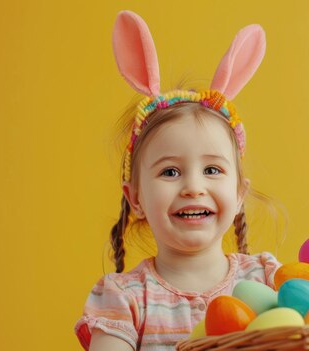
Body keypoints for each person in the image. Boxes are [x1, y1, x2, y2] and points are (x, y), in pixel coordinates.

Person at [74, 10, 281, 351]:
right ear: (135, 197)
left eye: (212, 170)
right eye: (170, 172)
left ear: (239, 193)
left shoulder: (268, 280)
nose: (193, 187)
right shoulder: (123, 300)